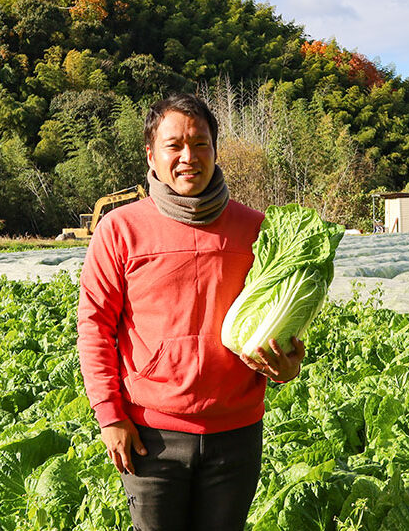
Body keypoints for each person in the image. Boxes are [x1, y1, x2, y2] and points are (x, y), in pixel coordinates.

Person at [76, 93, 306, 531]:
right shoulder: (120, 229)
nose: (189, 157)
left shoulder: (258, 230)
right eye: (174, 145)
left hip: (236, 433)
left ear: (215, 151)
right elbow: (94, 327)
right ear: (151, 153)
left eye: (201, 144)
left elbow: (282, 319)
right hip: (151, 437)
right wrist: (110, 415)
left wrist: (288, 362)